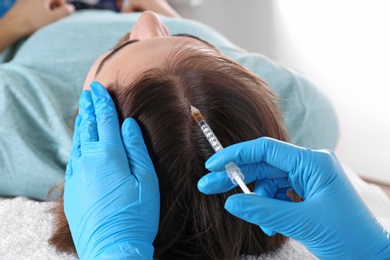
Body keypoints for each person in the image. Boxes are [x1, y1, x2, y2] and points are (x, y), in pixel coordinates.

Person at [0, 0, 342, 259]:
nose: (149, 22)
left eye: (122, 46)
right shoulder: (297, 109)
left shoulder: (17, 119)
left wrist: (13, 25)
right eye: (191, 41)